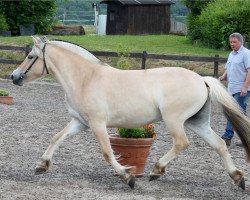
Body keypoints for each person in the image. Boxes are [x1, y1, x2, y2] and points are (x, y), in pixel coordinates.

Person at [219, 32, 250, 146]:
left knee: (233, 112)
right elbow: (229, 68)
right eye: (231, 42)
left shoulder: (246, 54)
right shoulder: (232, 54)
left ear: (241, 42)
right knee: (241, 114)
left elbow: (249, 71)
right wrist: (223, 76)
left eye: (234, 42)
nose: (232, 44)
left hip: (242, 89)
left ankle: (227, 136)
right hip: (232, 88)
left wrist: (245, 87)